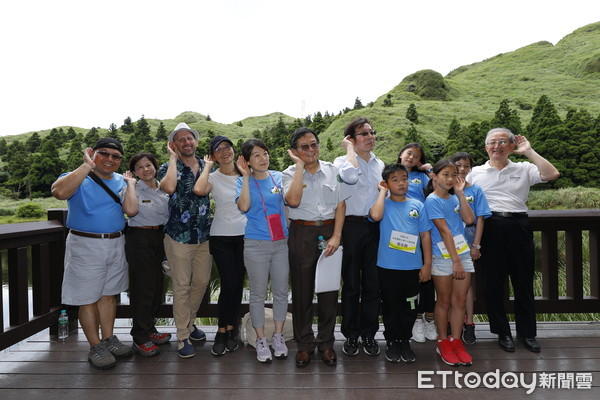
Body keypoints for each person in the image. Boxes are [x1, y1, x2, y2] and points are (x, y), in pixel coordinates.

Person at [468, 128, 559, 353]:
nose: (497, 146)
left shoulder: (524, 168)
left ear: (511, 146)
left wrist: (529, 152)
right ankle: (502, 333)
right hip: (489, 227)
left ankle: (527, 333)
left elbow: (551, 174)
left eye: (502, 142)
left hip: (518, 225)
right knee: (494, 284)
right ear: (485, 147)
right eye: (492, 142)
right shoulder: (475, 173)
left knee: (523, 282)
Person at [51, 137, 137, 370]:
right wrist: (87, 165)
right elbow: (58, 192)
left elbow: (131, 210)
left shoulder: (122, 180)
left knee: (108, 295)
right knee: (86, 298)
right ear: (93, 153)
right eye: (104, 154)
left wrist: (131, 185)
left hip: (115, 242)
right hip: (85, 244)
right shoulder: (78, 176)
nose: (110, 159)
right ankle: (95, 345)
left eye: (115, 156)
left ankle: (108, 339)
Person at [282, 127, 347, 367]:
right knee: (302, 292)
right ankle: (305, 345)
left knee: (329, 291)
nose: (310, 150)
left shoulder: (333, 171)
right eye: (304, 147)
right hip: (302, 232)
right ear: (295, 151)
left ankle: (327, 344)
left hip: (330, 231)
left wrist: (337, 236)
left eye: (313, 144)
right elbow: (293, 200)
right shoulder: (288, 173)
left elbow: (341, 205)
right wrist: (299, 166)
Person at [157, 122, 213, 359]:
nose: (186, 142)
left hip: (204, 236)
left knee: (200, 283)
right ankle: (182, 336)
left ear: (196, 142)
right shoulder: (166, 167)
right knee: (181, 286)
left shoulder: (207, 164)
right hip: (179, 236)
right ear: (174, 145)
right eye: (180, 140)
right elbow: (169, 188)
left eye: (189, 138)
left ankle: (189, 323)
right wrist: (172, 159)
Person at [369, 163, 432, 363]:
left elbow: (425, 236)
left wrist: (427, 264)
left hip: (412, 267)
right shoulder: (383, 204)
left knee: (410, 306)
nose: (401, 183)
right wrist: (382, 193)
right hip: (388, 266)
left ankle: (404, 340)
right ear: (386, 183)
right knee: (390, 305)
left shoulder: (417, 205)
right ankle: (392, 341)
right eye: (395, 180)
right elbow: (375, 216)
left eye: (404, 178)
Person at [333, 117, 384, 357]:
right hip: (351, 227)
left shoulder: (379, 164)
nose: (370, 136)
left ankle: (369, 334)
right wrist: (349, 151)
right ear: (351, 140)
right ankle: (351, 335)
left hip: (376, 228)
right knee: (352, 285)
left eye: (372, 132)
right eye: (364, 133)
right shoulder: (341, 162)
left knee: (373, 285)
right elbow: (351, 177)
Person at [235, 139, 289, 363]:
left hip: (281, 243)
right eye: (256, 155)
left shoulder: (278, 177)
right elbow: (244, 207)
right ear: (247, 161)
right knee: (257, 295)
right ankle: (261, 339)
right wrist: (246, 177)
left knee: (281, 292)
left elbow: (288, 204)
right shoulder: (241, 182)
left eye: (265, 153)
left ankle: (278, 336)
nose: (263, 158)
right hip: (256, 244)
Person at [193, 135, 246, 357]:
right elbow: (199, 190)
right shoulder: (213, 177)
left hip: (246, 235)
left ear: (234, 150)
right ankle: (221, 330)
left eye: (227, 147)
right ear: (213, 155)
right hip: (221, 236)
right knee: (228, 282)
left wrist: (247, 174)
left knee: (238, 285)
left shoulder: (246, 173)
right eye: (218, 149)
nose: (225, 151)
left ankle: (232, 328)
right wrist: (206, 167)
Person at [424, 159, 475, 367]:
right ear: (434, 176)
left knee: (460, 301)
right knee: (444, 300)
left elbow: (469, 219)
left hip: (461, 254)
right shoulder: (432, 200)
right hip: (443, 256)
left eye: (454, 175)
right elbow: (444, 231)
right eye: (446, 174)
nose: (451, 178)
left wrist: (461, 194)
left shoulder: (454, 198)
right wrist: (456, 262)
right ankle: (443, 341)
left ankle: (456, 339)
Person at [125, 152, 171, 357]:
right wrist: (131, 185)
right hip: (139, 238)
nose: (146, 170)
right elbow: (132, 211)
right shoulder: (131, 188)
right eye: (140, 167)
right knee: (142, 288)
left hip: (159, 239)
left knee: (156, 288)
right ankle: (140, 336)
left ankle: (150, 328)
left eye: (148, 165)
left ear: (155, 166)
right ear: (134, 172)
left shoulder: (164, 189)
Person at [397, 143, 437, 343]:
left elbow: (440, 186)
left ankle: (427, 317)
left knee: (425, 276)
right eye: (409, 153)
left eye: (416, 156)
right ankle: (414, 319)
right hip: (397, 232)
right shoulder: (390, 174)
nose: (411, 157)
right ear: (401, 154)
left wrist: (429, 170)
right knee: (405, 279)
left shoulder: (421, 177)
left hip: (420, 230)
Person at [450, 152, 491, 345]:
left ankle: (469, 322)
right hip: (445, 246)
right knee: (445, 285)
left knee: (467, 286)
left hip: (467, 243)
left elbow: (480, 219)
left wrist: (476, 244)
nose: (462, 169)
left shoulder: (475, 190)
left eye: (466, 166)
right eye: (458, 165)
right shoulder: (445, 189)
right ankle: (451, 323)